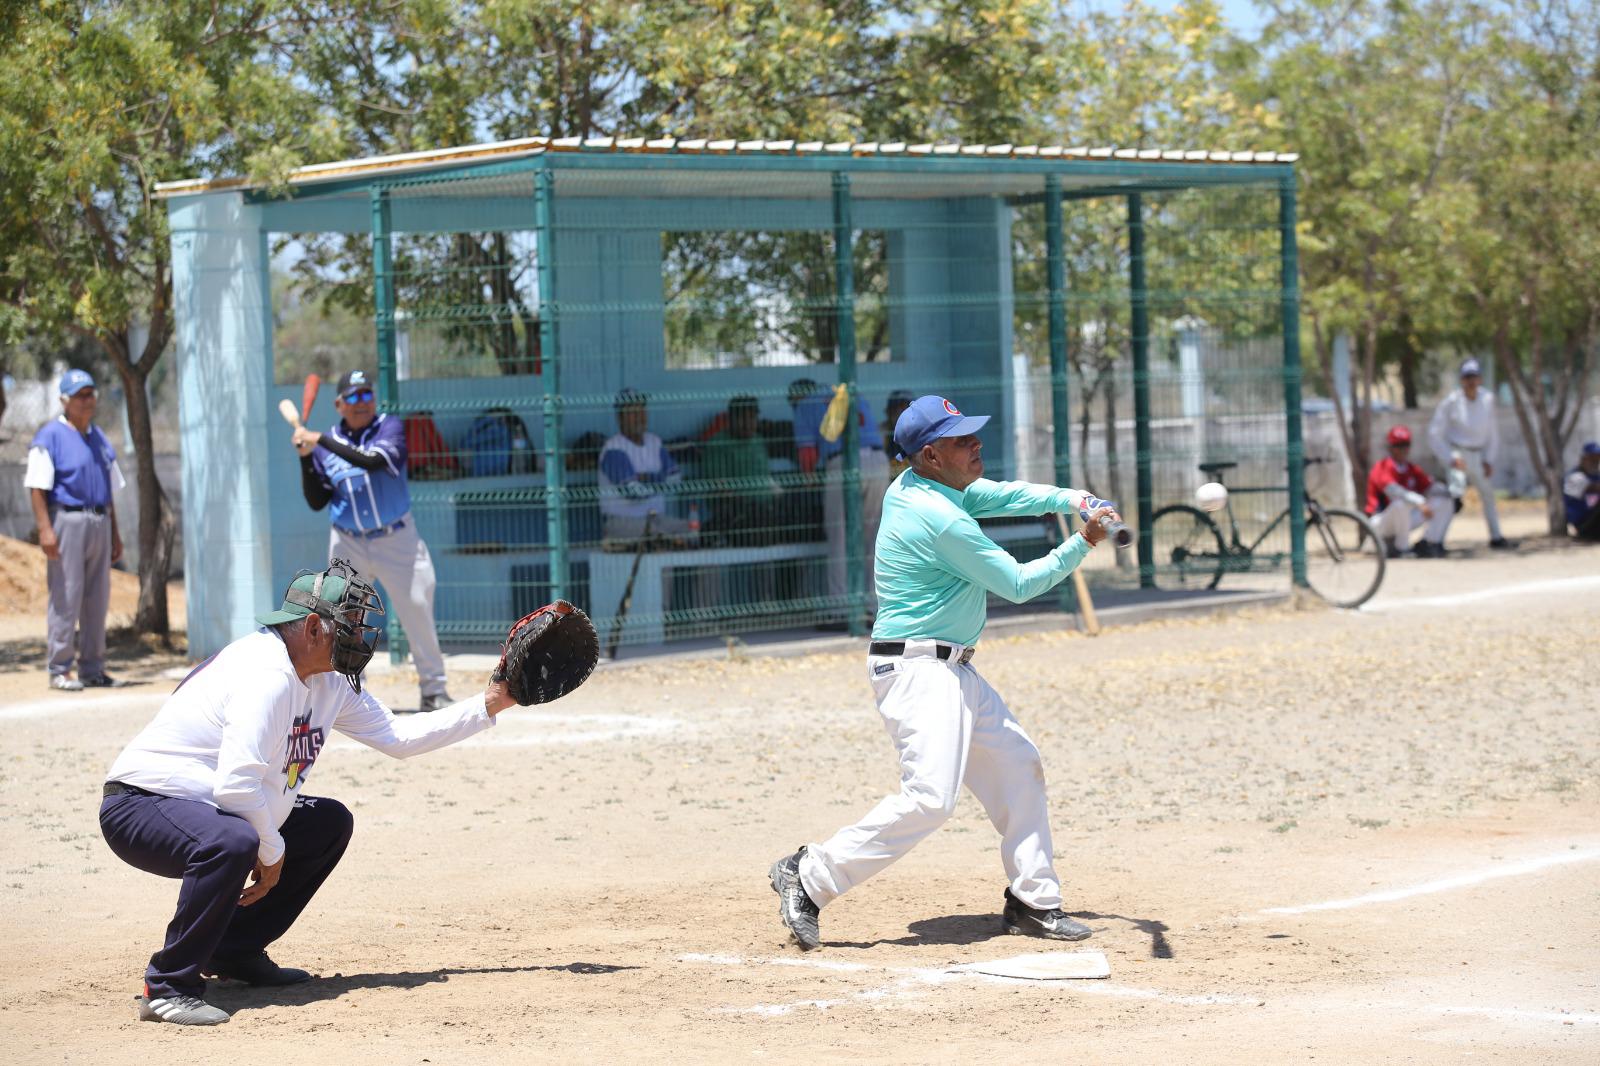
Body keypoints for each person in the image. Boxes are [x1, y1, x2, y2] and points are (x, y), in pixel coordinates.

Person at [98, 559, 518, 1026]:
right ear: (314, 627)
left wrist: (494, 700)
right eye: (351, 627)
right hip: (142, 803)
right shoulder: (268, 675)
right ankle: (168, 986)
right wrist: (272, 852)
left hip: (209, 803)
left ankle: (233, 950)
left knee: (326, 824)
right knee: (234, 842)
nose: (361, 639)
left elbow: (399, 738)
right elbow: (236, 787)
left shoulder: (329, 679)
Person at [768, 394, 1118, 951]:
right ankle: (809, 875)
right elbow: (1020, 584)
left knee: (1018, 766)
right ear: (930, 454)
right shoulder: (940, 518)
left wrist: (1075, 498)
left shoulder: (922, 485)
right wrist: (1084, 542)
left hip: (951, 669)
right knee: (931, 798)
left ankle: (1034, 901)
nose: (976, 444)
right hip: (917, 671)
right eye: (961, 440)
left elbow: (1004, 494)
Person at [292, 370, 452, 713]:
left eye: (366, 394)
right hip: (347, 542)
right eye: (352, 396)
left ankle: (433, 689)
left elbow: (373, 461)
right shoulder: (325, 445)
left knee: (417, 606)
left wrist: (318, 440)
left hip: (397, 538)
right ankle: (346, 697)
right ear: (338, 404)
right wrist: (306, 457)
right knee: (342, 619)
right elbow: (317, 500)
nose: (361, 402)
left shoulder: (389, 427)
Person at [25, 368, 125, 691]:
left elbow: (110, 491)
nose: (88, 401)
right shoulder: (50, 436)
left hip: (100, 521)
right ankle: (60, 668)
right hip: (66, 521)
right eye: (80, 395)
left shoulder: (99, 438)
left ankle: (93, 668)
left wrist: (116, 534)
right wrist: (45, 529)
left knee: (97, 599)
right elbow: (37, 486)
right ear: (64, 400)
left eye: (91, 394)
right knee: (66, 596)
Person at [788, 378, 890, 626]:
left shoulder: (804, 405)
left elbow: (808, 457)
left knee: (840, 538)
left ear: (796, 397)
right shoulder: (847, 393)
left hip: (844, 464)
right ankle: (874, 608)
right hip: (878, 462)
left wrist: (809, 481)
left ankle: (841, 610)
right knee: (872, 538)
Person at [1429, 358, 1515, 550]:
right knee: (1454, 496)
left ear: (1480, 379)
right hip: (1457, 454)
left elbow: (1492, 433)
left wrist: (1489, 459)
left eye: (1474, 377)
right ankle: (1436, 540)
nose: (1471, 381)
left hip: (1478, 455)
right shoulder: (1451, 402)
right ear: (1461, 380)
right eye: (1467, 377)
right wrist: (1449, 458)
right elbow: (1435, 433)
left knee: (1488, 495)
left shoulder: (1487, 399)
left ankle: (1496, 537)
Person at [597, 388, 694, 544]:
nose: (639, 417)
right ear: (620, 418)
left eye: (642, 410)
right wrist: (659, 480)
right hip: (622, 524)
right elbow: (633, 493)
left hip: (655, 519)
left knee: (695, 532)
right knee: (663, 540)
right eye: (633, 412)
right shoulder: (613, 449)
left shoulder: (654, 442)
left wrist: (645, 478)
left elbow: (675, 481)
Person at [702, 394, 782, 544]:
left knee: (798, 520)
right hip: (738, 514)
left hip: (767, 509)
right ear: (731, 419)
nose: (748, 424)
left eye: (752, 418)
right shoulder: (718, 444)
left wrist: (781, 497)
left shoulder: (758, 440)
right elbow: (721, 489)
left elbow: (767, 478)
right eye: (742, 418)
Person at [1365, 425, 1454, 558]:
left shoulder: (1411, 468)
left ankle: (1430, 542)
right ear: (1390, 447)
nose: (1403, 449)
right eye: (1398, 445)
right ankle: (1401, 548)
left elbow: (1430, 486)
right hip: (1382, 521)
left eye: (1406, 445)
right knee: (1400, 503)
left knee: (1445, 500)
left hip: (1406, 520)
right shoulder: (1382, 467)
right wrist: (1420, 502)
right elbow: (1394, 491)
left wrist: (1450, 492)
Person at [1564, 441, 1600, 541]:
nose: (1595, 462)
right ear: (1583, 459)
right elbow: (1593, 487)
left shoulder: (1596, 476)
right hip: (1584, 525)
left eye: (1597, 458)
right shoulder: (1575, 477)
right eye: (1592, 458)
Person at [883, 389, 914, 481]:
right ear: (888, 412)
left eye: (904, 409)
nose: (900, 415)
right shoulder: (884, 432)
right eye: (896, 410)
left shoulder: (919, 432)